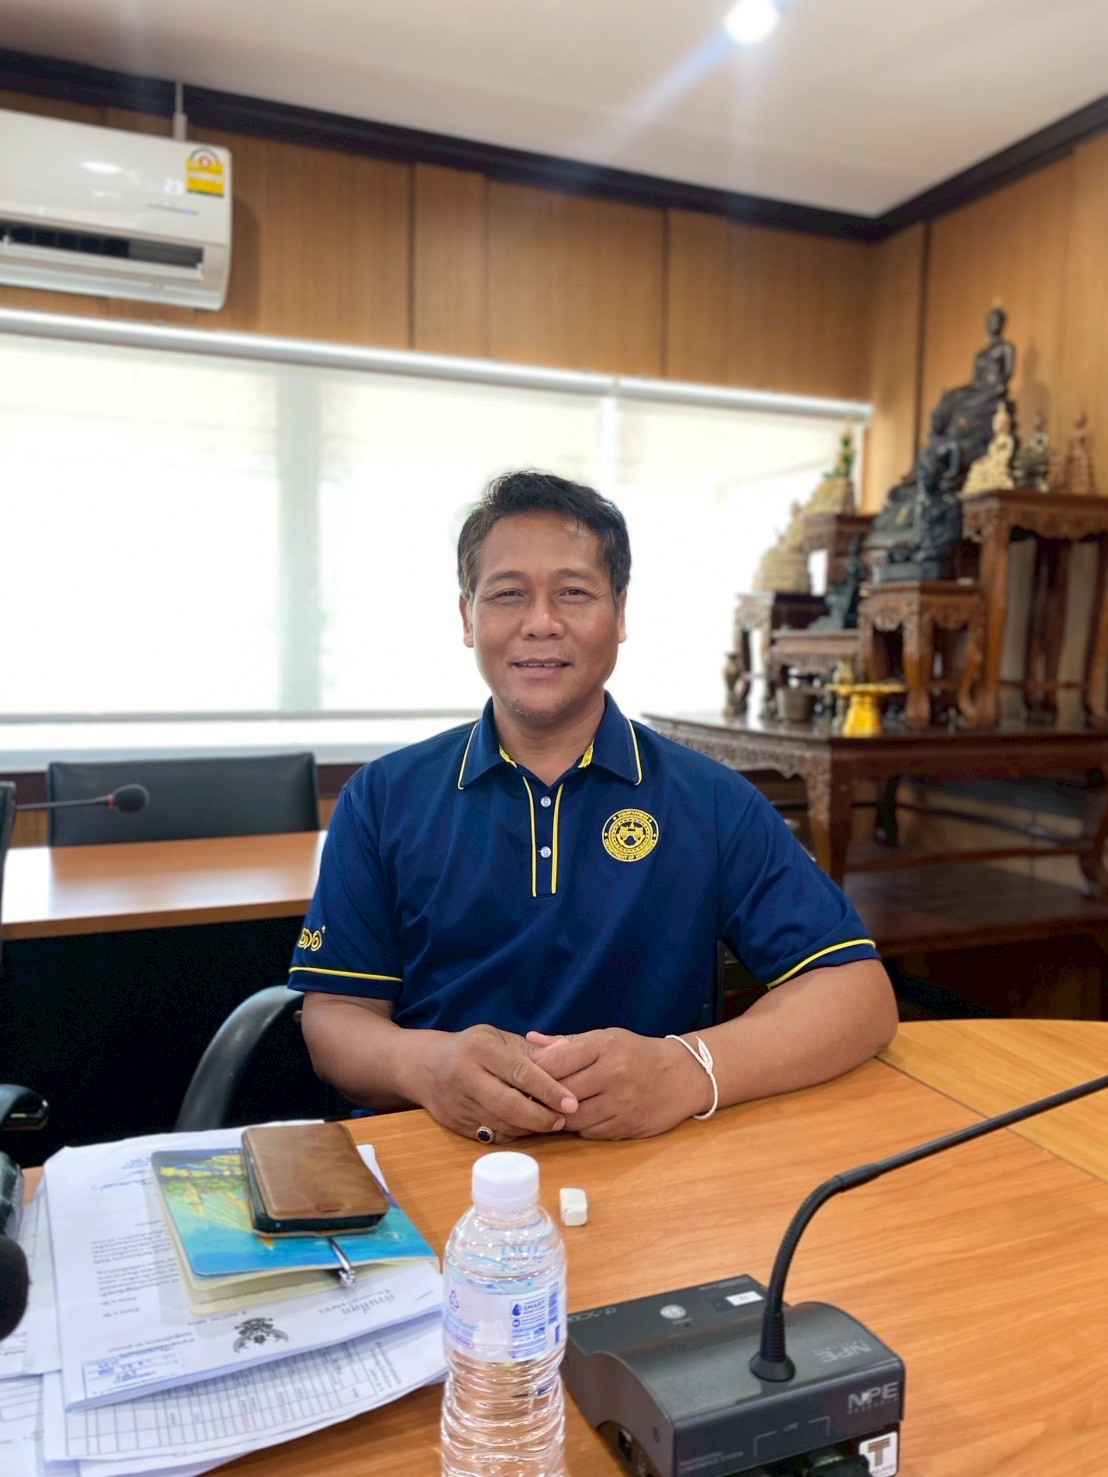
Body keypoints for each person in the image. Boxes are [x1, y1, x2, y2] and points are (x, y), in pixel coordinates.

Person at [291, 471, 898, 1143]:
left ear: (621, 613)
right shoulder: (381, 798)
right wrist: (427, 1066)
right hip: (434, 1153)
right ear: (468, 617)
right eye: (508, 594)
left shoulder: (710, 799)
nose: (541, 623)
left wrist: (689, 1069)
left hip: (650, 1157)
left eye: (574, 592)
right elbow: (335, 1017)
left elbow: (858, 995)